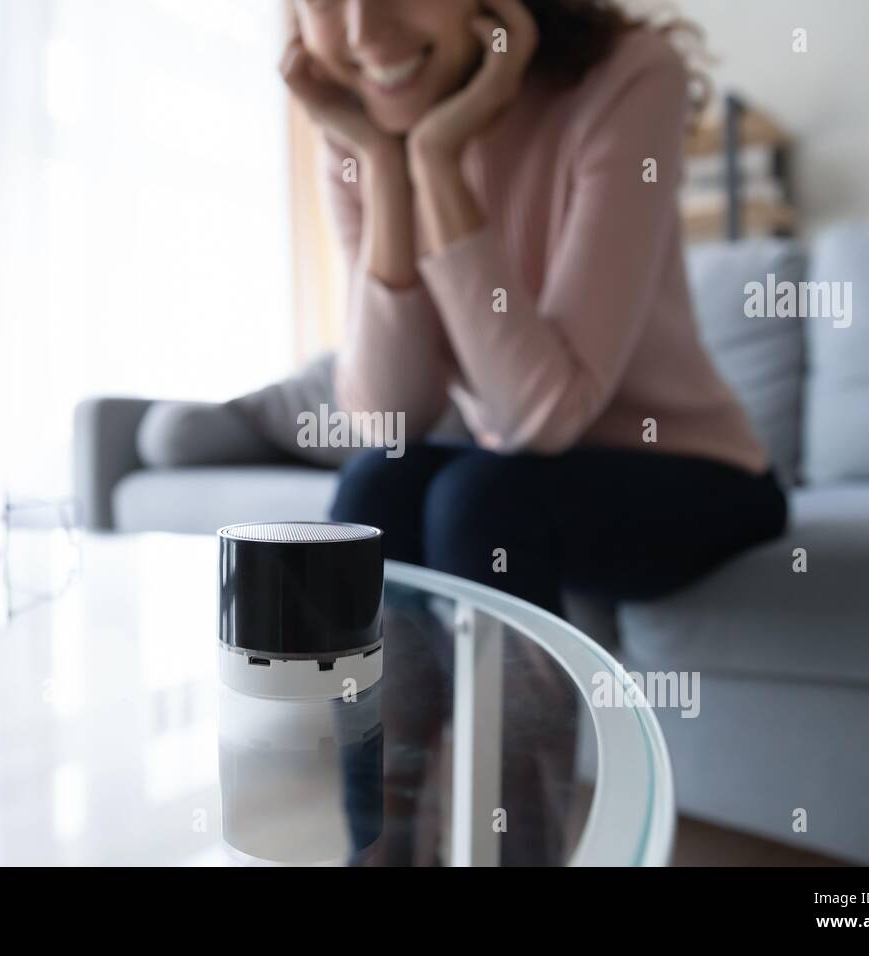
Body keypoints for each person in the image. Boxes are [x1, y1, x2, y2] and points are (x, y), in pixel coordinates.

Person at [282, 0, 788, 612]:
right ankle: (388, 714)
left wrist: (438, 163)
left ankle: (521, 714)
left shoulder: (630, 77)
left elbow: (545, 415)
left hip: (695, 473)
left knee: (483, 499)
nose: (365, 32)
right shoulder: (355, 133)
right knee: (374, 487)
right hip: (518, 472)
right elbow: (390, 420)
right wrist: (386, 166)